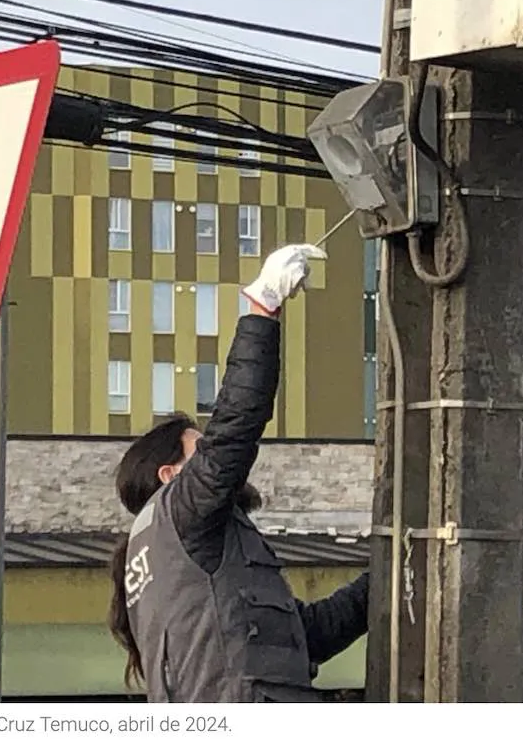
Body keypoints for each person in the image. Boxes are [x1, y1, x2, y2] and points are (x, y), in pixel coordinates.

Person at [107, 244, 370, 703]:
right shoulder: (181, 513)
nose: (212, 456)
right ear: (170, 474)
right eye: (199, 449)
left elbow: (300, 636)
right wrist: (262, 308)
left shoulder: (178, 554)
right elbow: (236, 424)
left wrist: (387, 578)